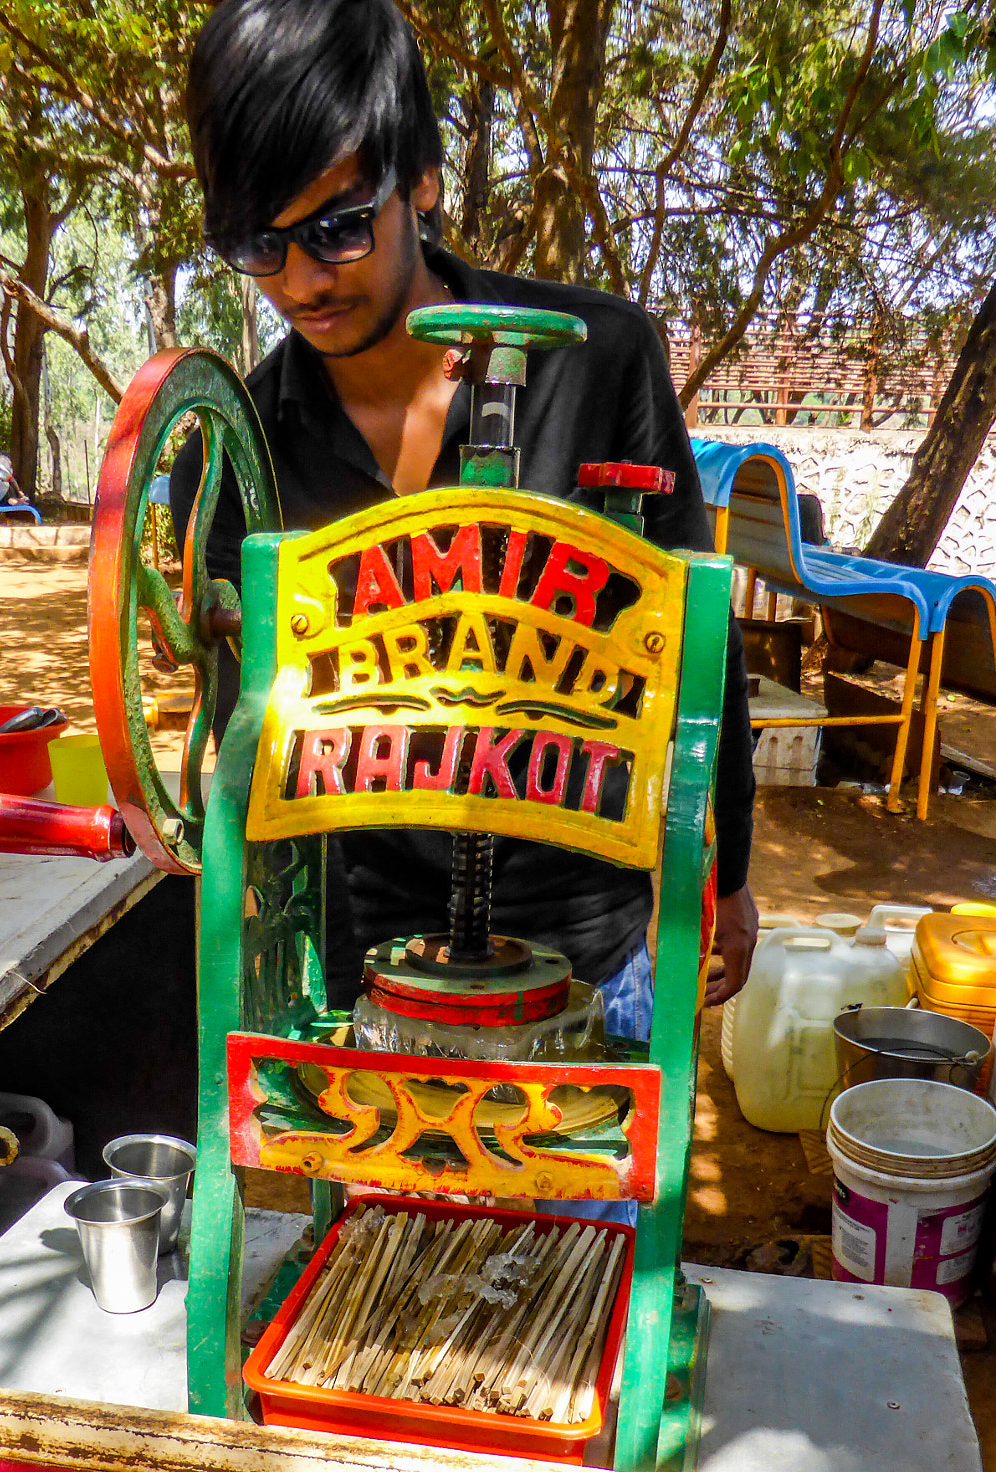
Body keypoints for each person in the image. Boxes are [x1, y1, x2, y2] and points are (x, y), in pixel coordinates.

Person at [172, 0, 757, 1026]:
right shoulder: (234, 450)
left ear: (423, 181)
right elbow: (244, 733)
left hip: (587, 959)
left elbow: (698, 643)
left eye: (340, 226)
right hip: (361, 975)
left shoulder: (601, 359)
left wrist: (731, 862)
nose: (304, 281)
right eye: (260, 246)